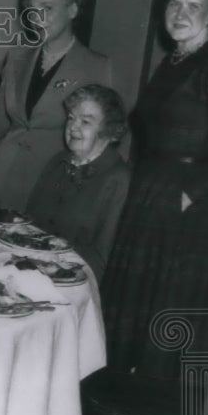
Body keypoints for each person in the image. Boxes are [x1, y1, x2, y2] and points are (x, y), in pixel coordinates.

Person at [100, 0, 208, 381]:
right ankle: (117, 388)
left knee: (162, 309)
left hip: (188, 210)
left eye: (194, 6)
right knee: (133, 303)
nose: (180, 13)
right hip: (151, 192)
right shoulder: (173, 61)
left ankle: (143, 400)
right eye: (174, 3)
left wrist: (192, 194)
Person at [0, 0, 112, 211]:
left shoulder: (95, 66)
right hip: (0, 178)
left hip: (52, 186)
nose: (38, 17)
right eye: (32, 9)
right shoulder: (16, 57)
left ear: (72, 11)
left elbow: (104, 139)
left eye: (48, 8)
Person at [26, 85, 130, 281]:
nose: (73, 126)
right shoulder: (58, 162)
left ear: (108, 129)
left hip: (76, 282)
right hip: (34, 269)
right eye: (71, 118)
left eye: (86, 122)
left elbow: (103, 258)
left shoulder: (118, 180)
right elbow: (30, 224)